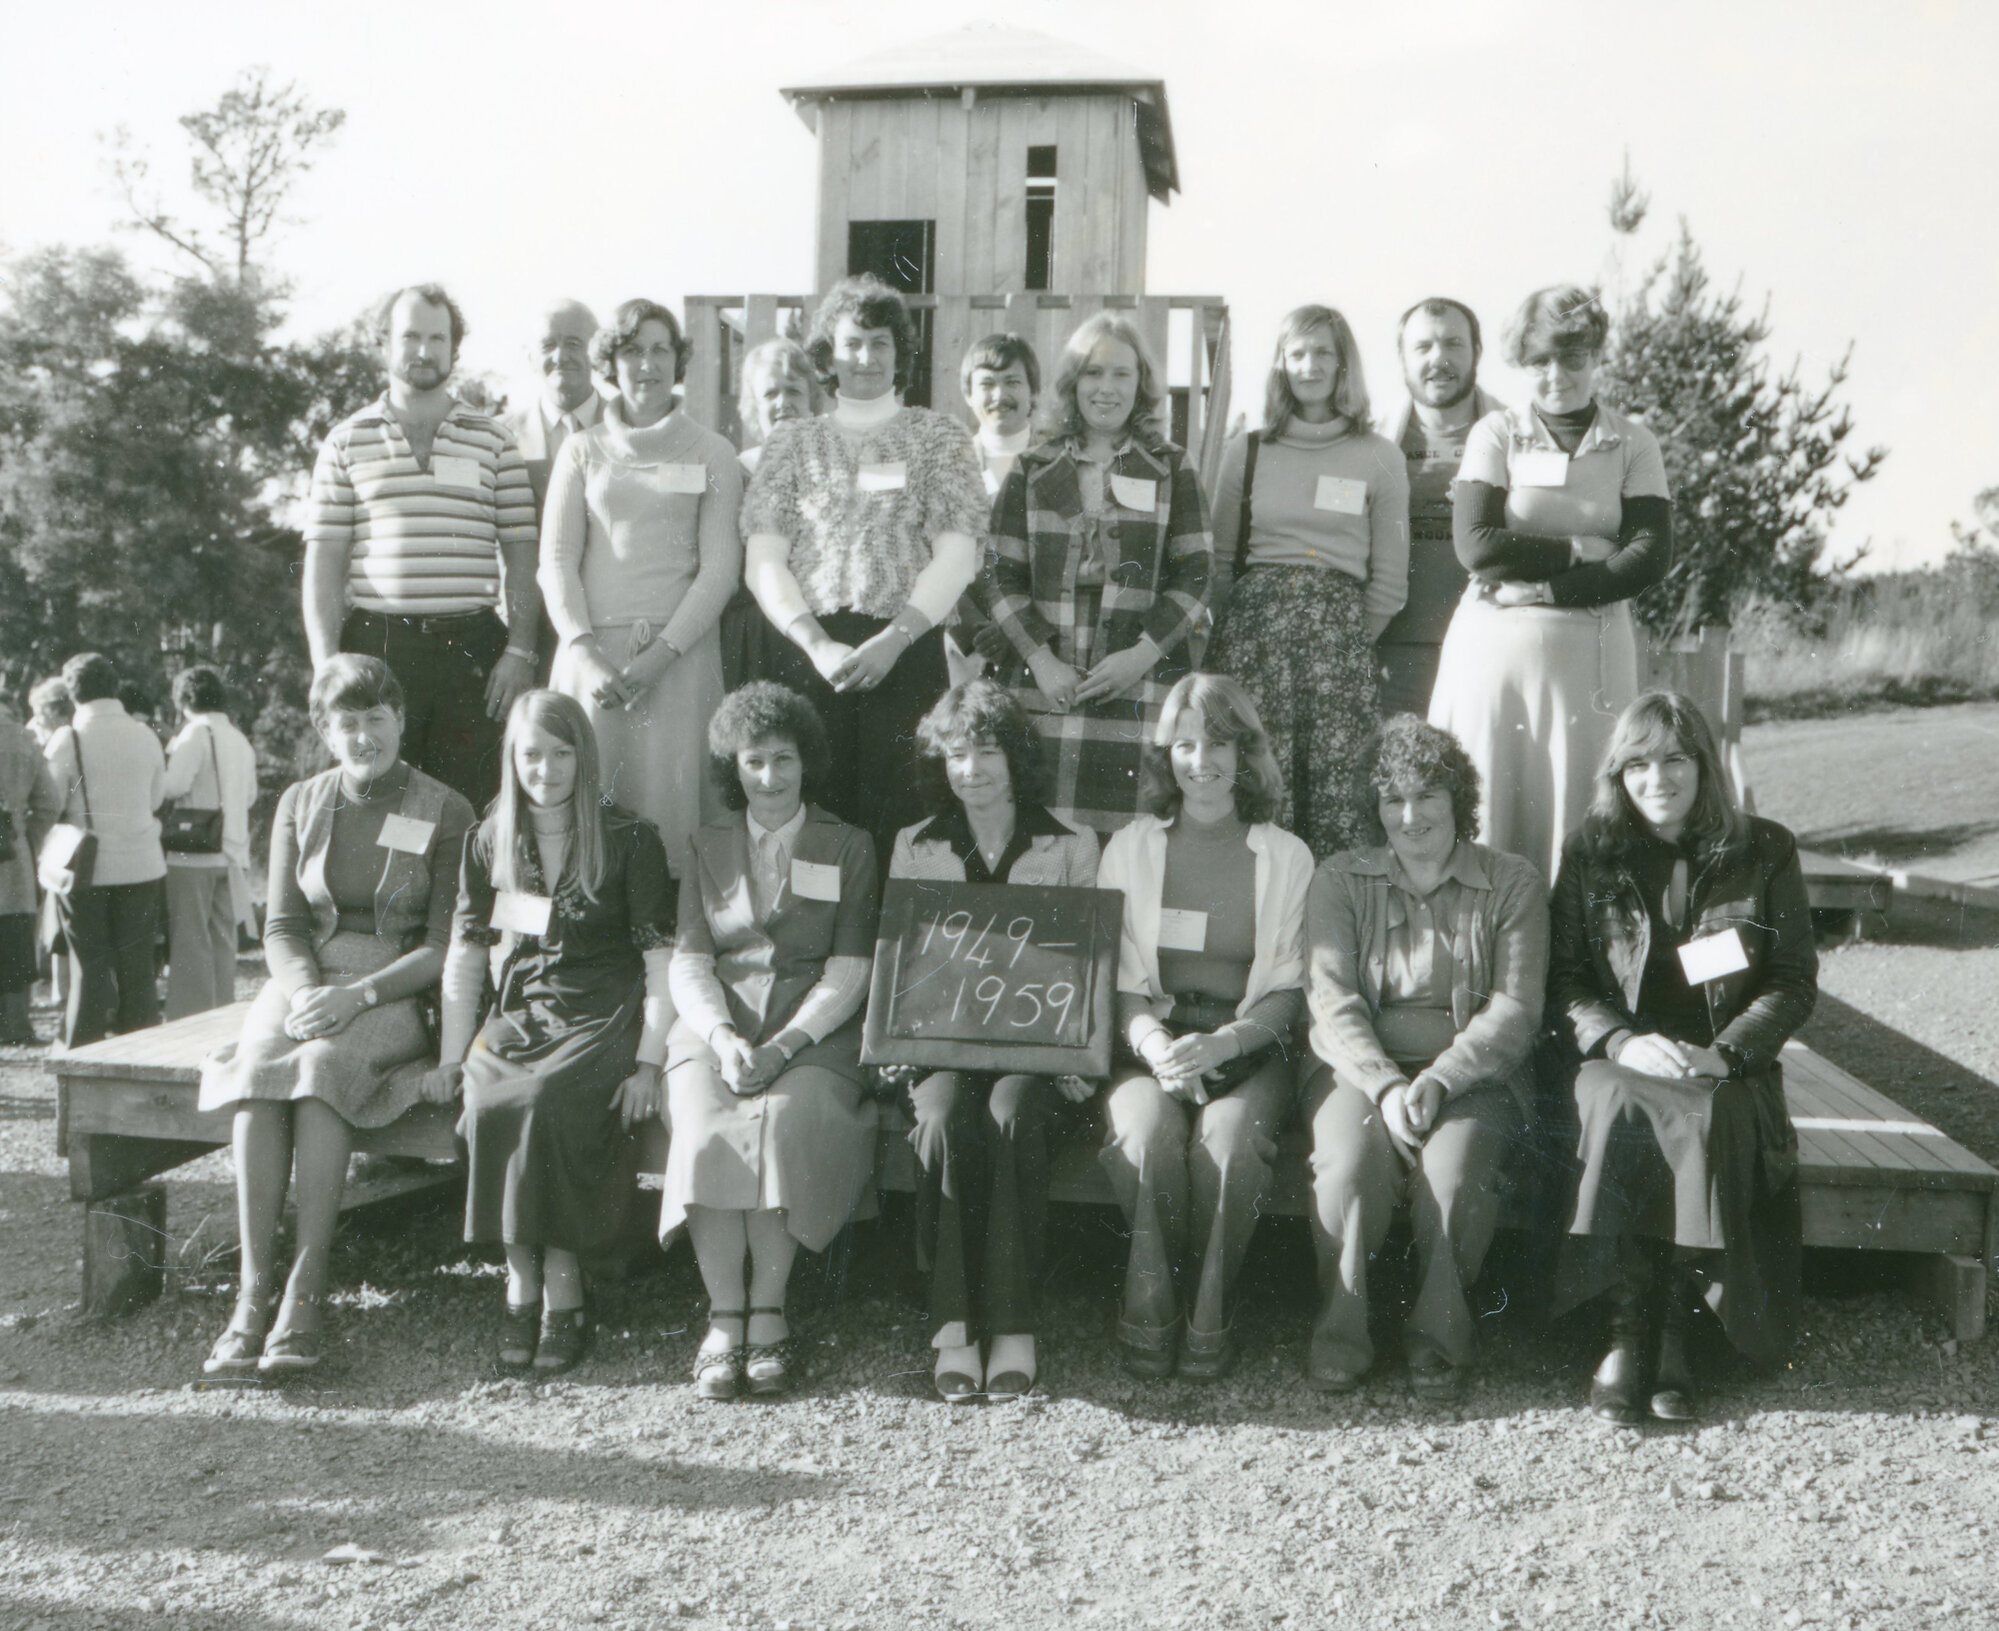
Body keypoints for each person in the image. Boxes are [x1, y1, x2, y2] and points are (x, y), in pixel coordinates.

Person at [198, 656, 475, 1375]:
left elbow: (443, 943)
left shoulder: (446, 808)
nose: (363, 737)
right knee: (262, 1070)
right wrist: (300, 991)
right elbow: (283, 924)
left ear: (401, 719)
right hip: (305, 980)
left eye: (375, 718)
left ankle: (307, 1287)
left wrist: (358, 995)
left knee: (323, 1067)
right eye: (345, 722)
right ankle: (253, 1291)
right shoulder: (301, 801)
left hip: (395, 987)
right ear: (323, 728)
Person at [1549, 692, 1815, 1425]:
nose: (1655, 777)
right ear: (1618, 773)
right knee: (1612, 1101)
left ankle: (1673, 1335)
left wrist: (1725, 1052)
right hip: (1625, 1050)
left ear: (1702, 765)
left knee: (1706, 1114)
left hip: (1724, 1058)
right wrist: (1620, 1040)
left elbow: (1790, 981)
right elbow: (1565, 980)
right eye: (1636, 763)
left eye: (1673, 759)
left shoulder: (1764, 848)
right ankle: (1624, 1334)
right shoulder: (1589, 851)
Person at [1301, 716, 1548, 1399]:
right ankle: (1342, 1332)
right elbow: (1329, 998)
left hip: (1475, 1075)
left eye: (1426, 796)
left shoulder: (1511, 882)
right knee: (1348, 1166)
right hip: (1359, 1070)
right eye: (1391, 799)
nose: (1409, 816)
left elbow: (1515, 1006)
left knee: (1451, 1175)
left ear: (1456, 798)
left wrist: (1441, 1078)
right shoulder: (1338, 879)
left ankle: (1439, 1341)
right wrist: (1383, 1086)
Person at [434, 690, 675, 1374]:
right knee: (488, 1100)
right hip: (520, 1008)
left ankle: (563, 1281)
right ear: (512, 757)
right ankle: (519, 1275)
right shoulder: (490, 839)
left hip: (602, 1007)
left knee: (553, 1098)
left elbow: (661, 962)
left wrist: (649, 1060)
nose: (546, 768)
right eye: (532, 753)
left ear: (584, 757)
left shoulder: (630, 838)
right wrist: (456, 1055)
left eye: (562, 752)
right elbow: (465, 952)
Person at [883, 680, 1100, 1402]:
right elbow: (902, 961)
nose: (971, 769)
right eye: (955, 755)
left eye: (986, 751)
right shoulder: (914, 846)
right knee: (942, 1121)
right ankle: (952, 1325)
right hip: (944, 1046)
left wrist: (1078, 1056)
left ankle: (1013, 1324)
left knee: (1008, 1117)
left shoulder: (1070, 845)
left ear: (1015, 756)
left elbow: (1087, 964)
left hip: (1031, 1051)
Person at [662, 683, 880, 1399]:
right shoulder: (705, 843)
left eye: (783, 759)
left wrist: (785, 1045)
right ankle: (724, 1315)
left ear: (805, 761)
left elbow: (850, 971)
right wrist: (722, 1038)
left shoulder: (848, 844)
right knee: (702, 1122)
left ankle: (770, 1309)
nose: (769, 777)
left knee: (783, 1121)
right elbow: (689, 962)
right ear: (734, 764)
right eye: (753, 761)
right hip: (719, 1029)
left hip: (813, 1034)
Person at [1095, 674, 1312, 1379]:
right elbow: (1118, 977)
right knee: (1144, 1132)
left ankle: (1209, 1314)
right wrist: (1159, 1048)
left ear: (1244, 752)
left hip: (1246, 1043)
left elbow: (1287, 988)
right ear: (1166, 755)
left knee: (1229, 1144)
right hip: (1150, 1042)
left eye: (1217, 742)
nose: (1200, 761)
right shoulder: (1130, 846)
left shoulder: (1285, 855)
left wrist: (1223, 1042)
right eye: (1184, 744)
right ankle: (1149, 1311)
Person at [1428, 285, 1674, 881]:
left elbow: (1647, 557)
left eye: (1572, 357)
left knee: (1585, 816)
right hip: (1493, 662)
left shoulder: (1633, 443)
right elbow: (1478, 545)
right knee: (1485, 810)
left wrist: (1544, 590)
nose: (1556, 375)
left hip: (1588, 662)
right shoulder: (1496, 434)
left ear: (1596, 357)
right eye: (1539, 360)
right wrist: (1573, 551)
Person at [741, 277, 989, 857]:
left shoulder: (938, 437)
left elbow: (957, 555)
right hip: (811, 651)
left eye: (881, 343)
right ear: (827, 354)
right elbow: (763, 559)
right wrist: (815, 643)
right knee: (813, 810)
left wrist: (897, 638)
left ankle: (890, 945)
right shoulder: (792, 444)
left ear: (901, 352)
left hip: (904, 648)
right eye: (852, 343)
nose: (867, 357)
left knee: (902, 807)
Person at [302, 283, 541, 806]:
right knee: (377, 802)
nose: (424, 351)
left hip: (473, 651)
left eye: (438, 337)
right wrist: (327, 665)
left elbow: (523, 555)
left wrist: (520, 649)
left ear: (455, 347)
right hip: (379, 646)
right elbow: (323, 564)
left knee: (475, 807)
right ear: (384, 343)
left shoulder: (494, 440)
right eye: (410, 336)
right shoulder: (346, 441)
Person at [987, 314, 1214, 836]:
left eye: (1121, 375)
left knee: (1131, 840)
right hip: (1046, 681)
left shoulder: (1170, 466)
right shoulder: (1032, 468)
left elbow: (1197, 575)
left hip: (1137, 678)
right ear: (1072, 383)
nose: (1105, 389)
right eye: (1092, 374)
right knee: (1042, 836)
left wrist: (1140, 656)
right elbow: (1000, 575)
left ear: (1142, 385)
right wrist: (1041, 661)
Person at [540, 298, 742, 868]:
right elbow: (556, 559)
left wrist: (660, 656)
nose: (646, 364)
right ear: (612, 362)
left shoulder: (713, 452)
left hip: (679, 662)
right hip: (593, 665)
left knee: (674, 819)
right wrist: (585, 653)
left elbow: (721, 569)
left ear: (678, 361)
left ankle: (676, 952)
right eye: (631, 351)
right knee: (587, 812)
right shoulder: (581, 451)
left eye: (660, 350)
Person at [1210, 304, 1409, 858]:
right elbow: (1221, 562)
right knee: (1255, 790)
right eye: (1297, 353)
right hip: (1252, 648)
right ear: (1280, 364)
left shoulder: (1378, 455)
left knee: (1337, 802)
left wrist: (1338, 643)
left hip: (1338, 655)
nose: (1310, 365)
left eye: (1324, 351)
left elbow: (1390, 582)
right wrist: (1248, 634)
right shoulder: (1245, 451)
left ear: (1345, 364)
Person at [1376, 298, 1508, 718]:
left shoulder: (1518, 433)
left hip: (1492, 642)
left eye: (1453, 344)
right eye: (1423, 347)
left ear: (1477, 352)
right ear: (1401, 358)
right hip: (1394, 654)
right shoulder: (1371, 439)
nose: (1439, 359)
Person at [44, 652, 167, 1047]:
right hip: (143, 863)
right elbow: (156, 797)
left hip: (87, 867)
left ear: (72, 692)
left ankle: (81, 1055)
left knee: (89, 968)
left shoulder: (69, 739)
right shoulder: (145, 734)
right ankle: (143, 1055)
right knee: (138, 968)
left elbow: (50, 801)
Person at [506, 298, 603, 684]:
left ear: (598, 352)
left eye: (575, 343)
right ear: (530, 356)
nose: (560, 355)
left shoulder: (628, 431)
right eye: (548, 345)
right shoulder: (500, 438)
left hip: (605, 624)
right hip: (525, 633)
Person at [723, 338, 823, 692]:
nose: (783, 403)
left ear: (812, 399)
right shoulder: (735, 471)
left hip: (820, 626)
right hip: (755, 633)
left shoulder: (832, 467)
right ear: (753, 405)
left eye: (793, 390)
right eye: (770, 394)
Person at [160, 666, 259, 1020]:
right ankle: (221, 1012)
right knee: (222, 939)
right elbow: (249, 796)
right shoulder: (239, 738)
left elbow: (171, 787)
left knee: (190, 939)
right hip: (233, 851)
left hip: (194, 852)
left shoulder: (194, 735)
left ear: (185, 699)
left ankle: (189, 1017)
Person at [947, 333, 1044, 685]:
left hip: (1041, 641)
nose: (999, 396)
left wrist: (1018, 629)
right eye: (986, 384)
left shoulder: (1057, 464)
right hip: (968, 644)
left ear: (1033, 391)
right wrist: (973, 630)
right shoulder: (949, 465)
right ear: (969, 394)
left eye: (1013, 382)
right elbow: (932, 556)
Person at [0, 694, 61, 1044]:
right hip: (12, 850)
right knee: (15, 935)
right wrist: (28, 840)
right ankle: (15, 1025)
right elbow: (50, 802)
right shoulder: (23, 738)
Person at [26, 677, 73, 750]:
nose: (37, 722)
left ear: (55, 710)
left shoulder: (80, 728)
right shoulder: (33, 730)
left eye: (38, 715)